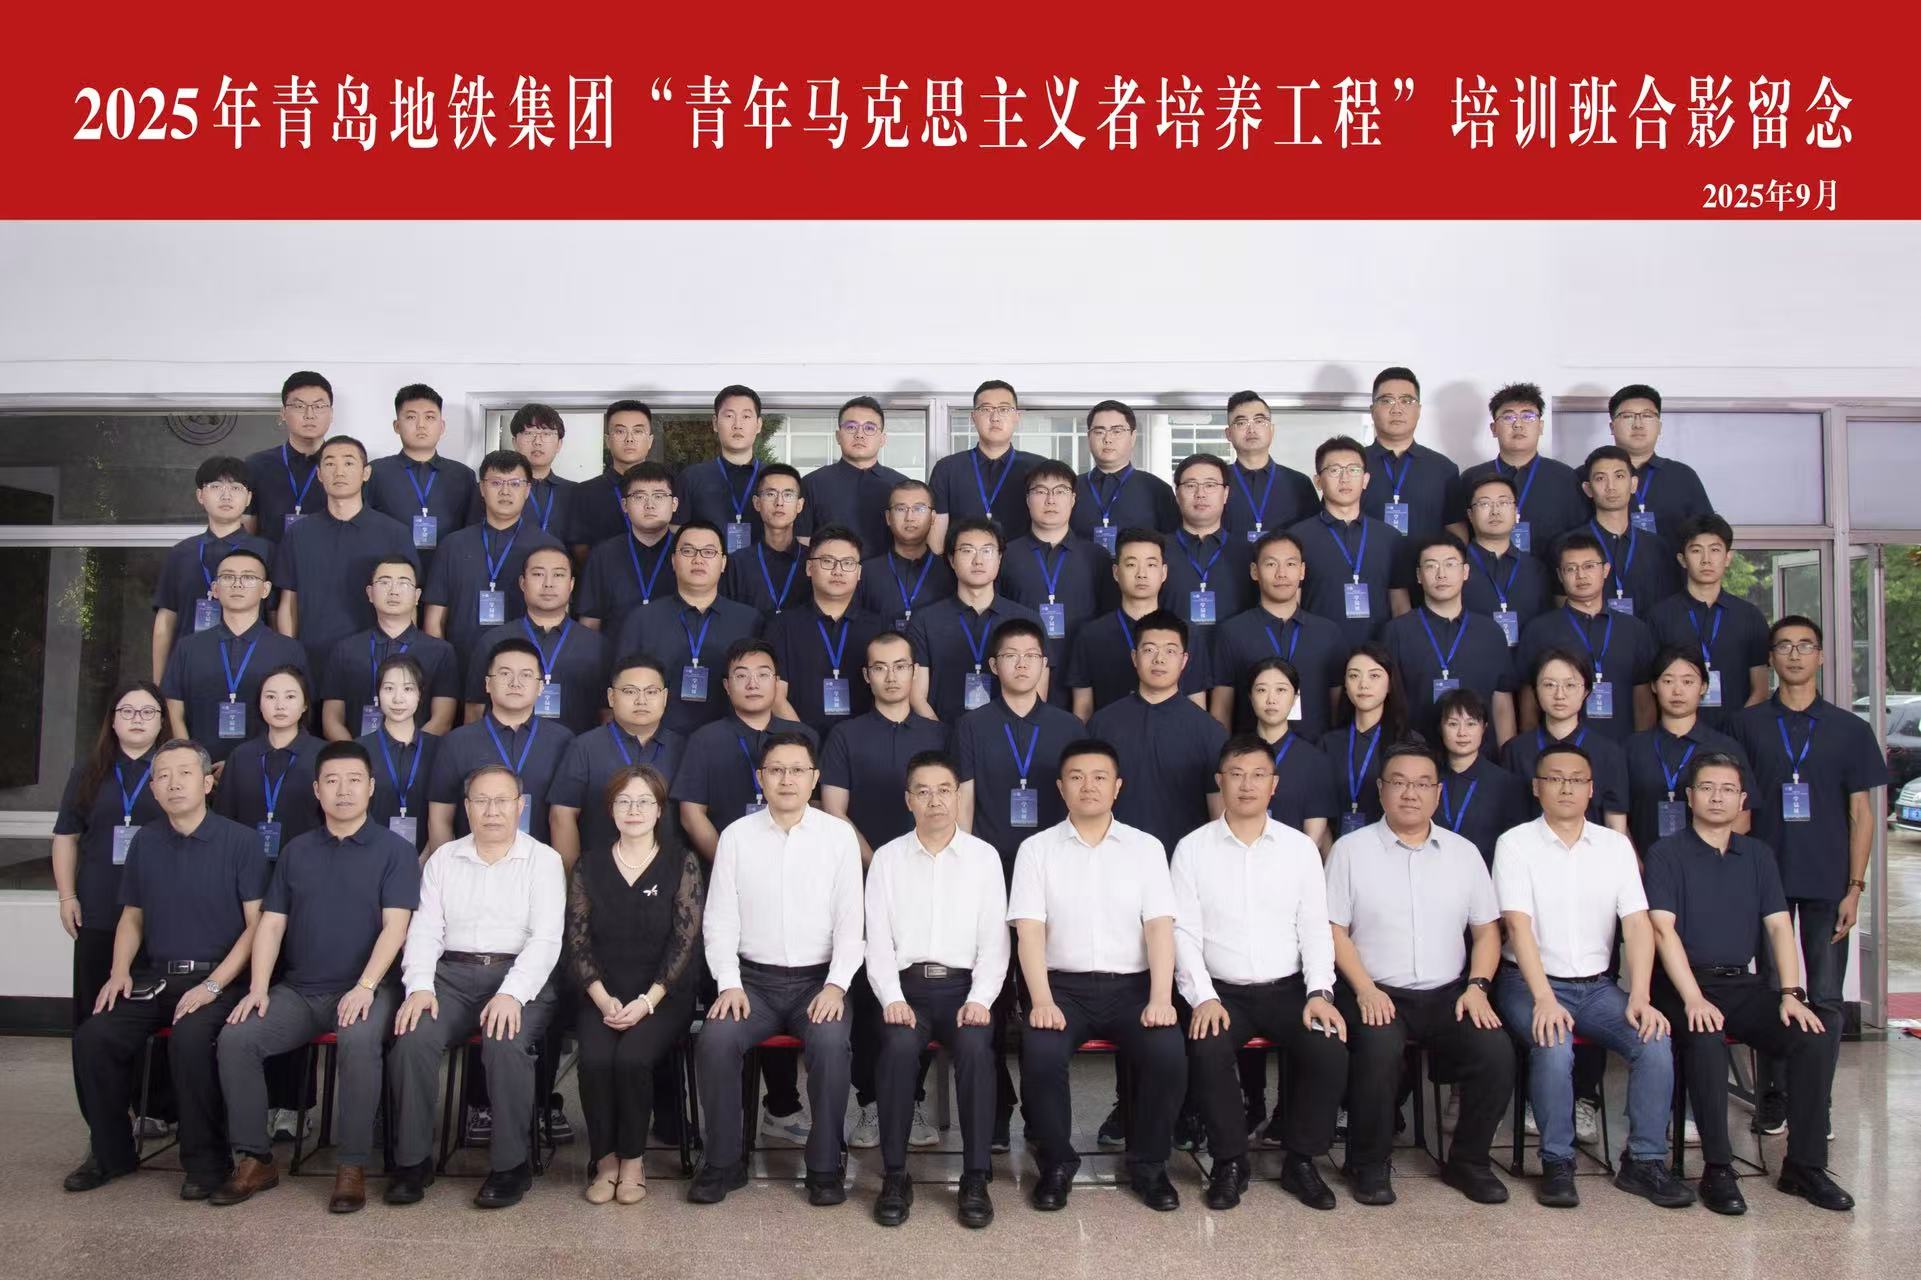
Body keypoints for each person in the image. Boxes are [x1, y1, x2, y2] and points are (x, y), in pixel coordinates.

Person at [211, 741, 418, 1213]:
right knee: (238, 1038)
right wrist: (258, 988)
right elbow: (271, 924)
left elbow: (396, 927)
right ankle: (256, 1159)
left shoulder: (395, 851)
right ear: (317, 790)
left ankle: (352, 1164)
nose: (343, 790)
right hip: (301, 991)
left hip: (368, 989)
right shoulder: (296, 851)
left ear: (371, 788)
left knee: (359, 1040)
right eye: (332, 781)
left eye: (353, 780)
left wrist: (365, 987)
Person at [1646, 752, 1855, 1213]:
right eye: (1706, 788)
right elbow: (1662, 930)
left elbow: (1779, 927)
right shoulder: (1666, 853)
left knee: (1815, 1032)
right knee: (1705, 1036)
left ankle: (1804, 1166)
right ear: (1689, 796)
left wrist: (1791, 994)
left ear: (1742, 799)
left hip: (1743, 985)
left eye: (1727, 789)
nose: (1717, 797)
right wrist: (1693, 997)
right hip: (1682, 987)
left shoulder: (1757, 855)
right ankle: (1718, 1168)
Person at [1491, 742, 1693, 1209]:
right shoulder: (1515, 843)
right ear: (1537, 788)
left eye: (1576, 779)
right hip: (1528, 983)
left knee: (1653, 1039)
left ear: (1591, 789)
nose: (1566, 787)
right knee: (1554, 1042)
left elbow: (1637, 923)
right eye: (1555, 778)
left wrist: (1639, 994)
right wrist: (1544, 998)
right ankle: (1557, 1162)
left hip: (1598, 987)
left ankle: (1643, 1162)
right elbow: (1517, 926)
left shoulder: (1614, 846)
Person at [65, 739, 264, 1198]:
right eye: (163, 776)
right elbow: (132, 917)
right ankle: (110, 1153)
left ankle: (207, 1162)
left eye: (185, 773)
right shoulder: (146, 842)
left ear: (208, 782)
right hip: (156, 978)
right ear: (153, 788)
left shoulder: (241, 841)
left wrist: (214, 985)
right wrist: (119, 972)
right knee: (95, 1037)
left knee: (191, 1038)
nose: (174, 783)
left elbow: (257, 926)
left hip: (220, 980)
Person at [1326, 741, 1513, 1206]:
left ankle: (1468, 1162)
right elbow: (1333, 930)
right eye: (1399, 782)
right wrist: (1364, 989)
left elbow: (1487, 933)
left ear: (1438, 792)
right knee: (1379, 1047)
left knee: (1495, 1051)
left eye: (1422, 784)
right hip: (1375, 989)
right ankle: (1368, 1163)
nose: (1410, 793)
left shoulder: (1463, 853)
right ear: (1381, 789)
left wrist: (1478, 987)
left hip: (1449, 994)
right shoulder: (1350, 851)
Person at [1009, 739, 1188, 1213]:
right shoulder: (1036, 850)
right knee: (1040, 1054)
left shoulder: (1146, 848)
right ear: (1060, 788)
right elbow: (1029, 932)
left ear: (1117, 787)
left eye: (1099, 777)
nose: (1088, 786)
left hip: (1133, 989)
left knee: (1167, 1053)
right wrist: (1041, 1001)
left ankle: (1149, 1165)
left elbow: (1160, 927)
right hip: (1061, 989)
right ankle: (1056, 1164)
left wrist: (1161, 997)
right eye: (1076, 777)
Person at [1174, 735, 1348, 1211]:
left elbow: (1315, 928)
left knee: (1329, 1048)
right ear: (1220, 782)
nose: (1246, 784)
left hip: (1289, 990)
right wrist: (1203, 997)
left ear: (1274, 785)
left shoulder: (1299, 849)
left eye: (1258, 775)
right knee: (1206, 1046)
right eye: (1236, 775)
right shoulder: (1192, 849)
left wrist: (1320, 992)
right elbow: (1184, 933)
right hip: (1222, 991)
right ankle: (1230, 1161)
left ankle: (1302, 1160)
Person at [691, 734, 863, 1207]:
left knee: (830, 1045)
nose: (787, 779)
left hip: (818, 983)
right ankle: (724, 1161)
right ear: (761, 777)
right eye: (776, 770)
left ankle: (824, 1165)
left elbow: (852, 922)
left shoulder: (838, 837)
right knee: (716, 1040)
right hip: (753, 984)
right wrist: (728, 983)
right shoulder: (737, 836)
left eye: (797, 770)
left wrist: (836, 986)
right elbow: (719, 919)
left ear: (814, 778)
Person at [1731, 615, 1886, 1136]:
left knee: (1824, 996)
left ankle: (1816, 1103)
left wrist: (1855, 887)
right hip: (1764, 881)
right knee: (1772, 991)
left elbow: (1862, 814)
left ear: (1821, 655)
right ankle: (1772, 1098)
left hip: (1827, 881)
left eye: (1805, 646)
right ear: (1771, 658)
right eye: (1784, 646)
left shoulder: (1850, 729)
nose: (1794, 655)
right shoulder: (1746, 725)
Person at [386, 764, 565, 1210]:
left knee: (504, 1041)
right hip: (450, 977)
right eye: (481, 801)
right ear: (466, 808)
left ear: (520, 806)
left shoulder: (543, 860)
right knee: (413, 1037)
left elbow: (546, 939)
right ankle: (412, 1163)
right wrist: (420, 986)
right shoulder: (444, 859)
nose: (492, 811)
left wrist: (511, 993)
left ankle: (511, 1166)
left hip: (518, 976)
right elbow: (425, 930)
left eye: (502, 801)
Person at [865, 750, 1008, 1228]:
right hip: (905, 990)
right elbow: (876, 941)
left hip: (965, 989)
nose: (935, 801)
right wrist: (891, 998)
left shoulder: (983, 858)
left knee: (976, 1052)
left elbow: (995, 941)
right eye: (923, 792)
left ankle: (975, 1176)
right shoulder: (887, 859)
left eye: (944, 790)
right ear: (908, 800)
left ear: (957, 796)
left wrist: (981, 999)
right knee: (897, 1051)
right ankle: (895, 1174)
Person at [567, 765, 703, 1206]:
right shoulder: (589, 864)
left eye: (644, 801)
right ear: (611, 810)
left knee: (631, 1059)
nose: (634, 810)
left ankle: (632, 1161)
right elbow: (577, 940)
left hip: (663, 995)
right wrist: (602, 998)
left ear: (660, 809)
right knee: (595, 1060)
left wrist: (648, 1001)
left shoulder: (681, 862)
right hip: (602, 994)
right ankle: (604, 1161)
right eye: (624, 801)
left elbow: (684, 942)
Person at [51, 680, 168, 1122]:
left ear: (162, 721)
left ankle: (154, 1108)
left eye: (148, 712)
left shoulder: (174, 769)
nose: (137, 720)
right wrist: (67, 895)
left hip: (160, 913)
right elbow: (66, 836)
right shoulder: (89, 771)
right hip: (100, 907)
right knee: (94, 1014)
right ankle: (103, 1118)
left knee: (152, 1013)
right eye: (127, 711)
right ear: (113, 720)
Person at [271, 435, 419, 677]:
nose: (339, 472)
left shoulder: (394, 532)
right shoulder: (299, 533)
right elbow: (288, 603)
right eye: (330, 463)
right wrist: (290, 661)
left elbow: (408, 603)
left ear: (366, 473)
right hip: (312, 659)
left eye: (349, 463)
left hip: (379, 663)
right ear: (319, 474)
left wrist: (402, 661)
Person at [1088, 611, 1227, 857]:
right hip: (1112, 858)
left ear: (1184, 660)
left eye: (1170, 651)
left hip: (1182, 861)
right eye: (1149, 650)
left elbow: (1219, 818)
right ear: (1135, 657)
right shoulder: (1102, 724)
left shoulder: (1209, 731)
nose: (1159, 659)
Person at [612, 520, 763, 740]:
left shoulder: (749, 621)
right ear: (674, 560)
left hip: (731, 742)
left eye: (708, 552)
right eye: (688, 551)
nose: (698, 559)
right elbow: (622, 689)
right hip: (656, 743)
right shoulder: (642, 620)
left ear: (723, 563)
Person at [672, 638, 820, 859]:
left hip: (798, 860)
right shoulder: (705, 740)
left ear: (776, 683)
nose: (753, 684)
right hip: (727, 861)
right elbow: (691, 815)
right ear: (727, 686)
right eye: (741, 676)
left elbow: (816, 805)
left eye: (763, 675)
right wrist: (729, 864)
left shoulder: (804, 737)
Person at [424, 449, 566, 681]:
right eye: (496, 483)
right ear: (482, 488)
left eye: (515, 483)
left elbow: (558, 616)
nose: (505, 491)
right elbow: (434, 620)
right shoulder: (453, 545)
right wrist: (442, 673)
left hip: (525, 676)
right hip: (460, 667)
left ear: (527, 490)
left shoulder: (548, 548)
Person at [161, 547, 309, 767]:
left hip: (266, 768)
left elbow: (301, 716)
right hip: (199, 770)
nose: (237, 584)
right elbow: (174, 711)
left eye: (248, 577)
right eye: (228, 577)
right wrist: (194, 763)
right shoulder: (188, 647)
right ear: (215, 588)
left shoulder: (288, 650)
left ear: (265, 589)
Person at [426, 637, 576, 852]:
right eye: (505, 674)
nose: (515, 683)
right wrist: (446, 866)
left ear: (541, 687)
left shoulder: (564, 741)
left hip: (539, 864)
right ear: (488, 684)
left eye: (526, 675)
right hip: (472, 862)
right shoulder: (456, 742)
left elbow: (565, 818)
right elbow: (440, 818)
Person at [1516, 532, 1659, 744]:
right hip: (1559, 750)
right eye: (1571, 569)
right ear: (1560, 575)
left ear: (1605, 570)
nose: (1581, 575)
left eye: (1589, 566)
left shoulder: (1634, 630)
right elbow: (1529, 700)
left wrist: (1641, 748)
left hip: (1622, 747)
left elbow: (1643, 701)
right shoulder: (1539, 630)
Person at [819, 631, 948, 862]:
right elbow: (833, 811)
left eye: (900, 667)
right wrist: (875, 864)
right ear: (866, 675)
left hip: (931, 864)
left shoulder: (940, 734)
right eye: (880, 668)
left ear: (914, 671)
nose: (891, 677)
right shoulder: (844, 735)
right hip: (864, 868)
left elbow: (953, 806)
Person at [550, 656, 685, 871]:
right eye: (630, 691)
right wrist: (572, 879)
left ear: (665, 697)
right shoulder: (584, 747)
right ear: (611, 697)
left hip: (668, 875)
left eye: (651, 692)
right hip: (598, 874)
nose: (641, 700)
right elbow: (562, 815)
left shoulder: (684, 748)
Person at [1208, 529, 1345, 740]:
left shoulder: (1328, 633)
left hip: (1316, 750)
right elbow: (1222, 708)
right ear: (1254, 571)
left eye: (1290, 564)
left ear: (1302, 571)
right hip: (1252, 753)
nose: (1282, 573)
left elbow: (1338, 708)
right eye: (1271, 564)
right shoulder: (1232, 632)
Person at [1383, 532, 1517, 744]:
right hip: (1416, 754)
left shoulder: (1491, 633)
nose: (1441, 574)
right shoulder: (1396, 632)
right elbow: (1388, 704)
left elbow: (1502, 704)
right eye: (1431, 566)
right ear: (1419, 575)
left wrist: (1506, 754)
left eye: (1450, 564)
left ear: (1465, 571)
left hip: (1480, 756)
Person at [1001, 460, 1115, 709]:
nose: (1050, 500)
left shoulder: (1097, 557)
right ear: (1027, 499)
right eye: (1040, 491)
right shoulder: (1006, 555)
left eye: (1060, 491)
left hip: (1083, 679)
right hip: (1020, 677)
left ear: (1073, 499)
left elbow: (1108, 620)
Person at [906, 518, 1042, 722]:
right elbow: (917, 697)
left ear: (999, 558)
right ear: (951, 559)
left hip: (1008, 736)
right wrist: (940, 735)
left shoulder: (1026, 620)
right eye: (967, 550)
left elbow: (1037, 695)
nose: (978, 560)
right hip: (941, 734)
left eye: (987, 551)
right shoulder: (925, 620)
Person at [150, 457, 275, 680]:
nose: (226, 495)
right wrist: (159, 685)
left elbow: (273, 614)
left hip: (252, 669)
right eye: (216, 487)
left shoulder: (266, 551)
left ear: (248, 498)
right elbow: (165, 621)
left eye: (235, 488)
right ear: (200, 495)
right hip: (189, 668)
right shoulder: (181, 553)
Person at [1645, 514, 1772, 731]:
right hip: (1676, 736)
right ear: (1682, 559)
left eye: (1714, 550)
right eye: (1696, 551)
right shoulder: (1659, 616)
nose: (1706, 560)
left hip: (1736, 738)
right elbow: (1650, 688)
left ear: (1728, 557)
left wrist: (1737, 732)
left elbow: (1759, 689)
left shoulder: (1749, 616)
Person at [464, 545, 609, 735]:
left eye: (558, 575)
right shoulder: (494, 640)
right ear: (523, 583)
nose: (548, 584)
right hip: (505, 751)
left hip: (577, 748)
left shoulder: (596, 645)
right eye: (538, 574)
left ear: (571, 584)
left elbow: (606, 714)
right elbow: (475, 710)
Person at [1068, 528, 1211, 719]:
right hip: (1112, 734)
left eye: (1151, 565)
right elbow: (1083, 710)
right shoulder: (1090, 635)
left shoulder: (1188, 632)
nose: (1141, 574)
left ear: (1163, 572)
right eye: (1131, 564)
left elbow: (1197, 705)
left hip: (1175, 734)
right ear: (1116, 572)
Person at [1624, 648, 1755, 853]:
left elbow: (1743, 818)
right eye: (1668, 681)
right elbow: (1618, 817)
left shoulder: (1726, 747)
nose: (1677, 691)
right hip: (1644, 864)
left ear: (1703, 687)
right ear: (1654, 686)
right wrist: (1634, 862)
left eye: (1688, 682)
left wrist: (1708, 861)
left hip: (1709, 866)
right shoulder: (1632, 748)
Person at [318, 557, 459, 740]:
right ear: (370, 593)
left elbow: (442, 720)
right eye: (384, 582)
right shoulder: (345, 650)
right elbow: (332, 719)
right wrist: (354, 753)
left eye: (403, 583)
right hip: (356, 754)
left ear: (417, 596)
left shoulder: (441, 652)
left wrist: (411, 750)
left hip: (417, 754)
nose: (393, 591)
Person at [767, 526, 888, 735]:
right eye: (828, 561)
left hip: (866, 743)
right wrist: (806, 742)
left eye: (848, 563)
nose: (837, 571)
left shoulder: (880, 628)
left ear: (859, 572)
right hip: (800, 745)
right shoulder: (783, 626)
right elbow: (776, 697)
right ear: (809, 568)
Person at [1290, 435, 1407, 648]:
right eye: (1334, 470)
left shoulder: (1390, 538)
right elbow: (1292, 604)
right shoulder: (1297, 538)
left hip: (1378, 654)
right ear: (1318, 481)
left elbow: (1400, 606)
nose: (1344, 478)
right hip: (1317, 650)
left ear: (1365, 479)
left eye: (1353, 469)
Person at [1449, 382, 1587, 560]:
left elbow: (1579, 537)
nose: (1518, 424)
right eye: (1508, 417)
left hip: (1550, 575)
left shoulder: (1565, 477)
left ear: (1541, 426)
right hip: (1485, 574)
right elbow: (1460, 536)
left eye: (1528, 416)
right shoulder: (1471, 478)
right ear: (1494, 429)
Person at [1501, 649, 1632, 832]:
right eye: (1549, 685)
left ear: (1586, 691)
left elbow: (1615, 825)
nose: (1559, 695)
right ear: (1535, 690)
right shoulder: (1516, 751)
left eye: (1570, 685)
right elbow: (1509, 818)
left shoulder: (1609, 753)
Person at [214, 666, 326, 862]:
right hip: (247, 863)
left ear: (305, 705)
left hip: (309, 863)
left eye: (290, 697)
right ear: (259, 703)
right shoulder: (241, 756)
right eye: (271, 697)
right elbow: (224, 819)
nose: (280, 705)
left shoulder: (324, 756)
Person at [366, 383, 478, 569]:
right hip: (391, 576)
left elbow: (472, 533)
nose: (421, 425)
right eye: (411, 417)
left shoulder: (463, 475)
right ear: (396, 426)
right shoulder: (375, 472)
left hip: (448, 574)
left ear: (442, 426)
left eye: (430, 417)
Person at [928, 379, 1042, 547]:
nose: (995, 417)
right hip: (963, 563)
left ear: (1017, 416)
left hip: (1024, 563)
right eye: (986, 409)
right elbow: (937, 543)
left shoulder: (1038, 469)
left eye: (1004, 409)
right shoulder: (947, 469)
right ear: (973, 417)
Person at [1576, 444, 1682, 619]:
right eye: (1601, 478)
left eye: (1619, 476)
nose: (1611, 486)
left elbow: (1669, 608)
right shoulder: (1571, 545)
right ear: (1588, 489)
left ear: (1633, 484)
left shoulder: (1657, 547)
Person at [1243, 659, 1339, 846]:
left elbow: (1314, 836)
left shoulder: (1314, 760)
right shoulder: (1235, 756)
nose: (1271, 699)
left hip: (1295, 859)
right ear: (1250, 697)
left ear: (1295, 698)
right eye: (1262, 690)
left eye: (1281, 690)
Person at [799, 395, 910, 556]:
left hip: (888, 572)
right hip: (830, 571)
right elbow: (803, 544)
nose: (859, 434)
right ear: (838, 436)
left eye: (869, 428)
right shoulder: (811, 484)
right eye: (851, 427)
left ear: (882, 439)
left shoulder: (901, 486)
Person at [1161, 453, 1255, 643]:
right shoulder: (1157, 551)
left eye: (1210, 485)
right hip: (1172, 656)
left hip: (1235, 654)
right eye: (1191, 485)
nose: (1200, 494)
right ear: (1177, 494)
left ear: (1225, 494)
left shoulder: (1249, 553)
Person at [577, 461, 679, 633]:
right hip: (616, 649)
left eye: (659, 496)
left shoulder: (689, 553)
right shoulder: (603, 555)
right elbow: (589, 624)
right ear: (624, 505)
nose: (649, 505)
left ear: (674, 504)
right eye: (639, 497)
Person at [1432, 688, 1528, 867]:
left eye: (1471, 724)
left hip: (1486, 875)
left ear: (1484, 728)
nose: (1462, 733)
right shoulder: (1426, 779)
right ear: (1440, 727)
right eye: (1453, 724)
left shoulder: (1506, 785)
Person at [1361, 367, 1460, 542]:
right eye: (1387, 401)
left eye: (1406, 401)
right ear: (1372, 410)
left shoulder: (1444, 468)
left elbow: (1456, 531)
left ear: (1419, 410)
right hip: (1366, 560)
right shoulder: (1353, 464)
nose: (1397, 409)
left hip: (1424, 560)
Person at [357, 654, 440, 855]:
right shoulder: (359, 750)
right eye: (389, 688)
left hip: (429, 858)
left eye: (408, 689)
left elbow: (445, 812)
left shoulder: (439, 749)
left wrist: (426, 859)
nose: (397, 698)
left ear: (420, 694)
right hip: (370, 858)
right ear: (377, 693)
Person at [1606, 384, 1713, 539]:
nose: (1638, 424)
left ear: (1660, 426)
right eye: (1628, 416)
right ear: (1612, 427)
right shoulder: (1587, 476)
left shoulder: (1683, 476)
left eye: (1647, 416)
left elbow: (1707, 535)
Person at [1458, 473, 1552, 647]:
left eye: (1504, 503)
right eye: (1485, 504)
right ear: (1470, 515)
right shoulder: (1455, 567)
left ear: (1516, 511)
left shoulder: (1536, 569)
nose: (1495, 511)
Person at [1070, 399, 1178, 551]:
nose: (1107, 439)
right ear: (1089, 437)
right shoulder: (1069, 488)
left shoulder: (1158, 489)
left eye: (1117, 431)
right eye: (1099, 432)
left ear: (1133, 437)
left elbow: (1171, 547)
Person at [674, 385, 770, 553]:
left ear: (759, 425)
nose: (737, 425)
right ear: (715, 423)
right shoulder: (691, 478)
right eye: (729, 416)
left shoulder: (774, 479)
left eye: (746, 416)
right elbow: (677, 539)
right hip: (706, 569)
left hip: (763, 569)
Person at [1327, 643, 1408, 836]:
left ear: (1390, 684)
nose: (1363, 684)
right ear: (1345, 686)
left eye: (1374, 676)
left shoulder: (1408, 743)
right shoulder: (1328, 743)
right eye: (1354, 676)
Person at [244, 371, 332, 541]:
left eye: (319, 406)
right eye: (299, 406)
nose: (309, 414)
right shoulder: (256, 465)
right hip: (271, 558)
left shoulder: (345, 467)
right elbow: (247, 536)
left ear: (331, 413)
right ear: (283, 413)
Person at [1219, 391, 1318, 541]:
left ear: (1271, 429)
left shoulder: (1299, 483)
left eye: (1259, 421)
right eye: (1241, 423)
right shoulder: (1215, 482)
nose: (1251, 429)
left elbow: (1313, 535)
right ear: (1229, 434)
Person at [856, 479, 956, 627]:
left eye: (919, 508)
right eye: (901, 509)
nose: (909, 517)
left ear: (933, 517)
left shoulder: (950, 571)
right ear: (888, 518)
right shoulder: (865, 572)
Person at [570, 399, 660, 555]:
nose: (629, 439)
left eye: (638, 431)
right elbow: (580, 549)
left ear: (650, 441)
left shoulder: (669, 489)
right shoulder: (584, 492)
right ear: (607, 440)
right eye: (620, 431)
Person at [718, 464, 808, 615]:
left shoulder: (813, 561)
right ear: (757, 503)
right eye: (770, 494)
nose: (779, 502)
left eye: (788, 495)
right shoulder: (736, 563)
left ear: (799, 505)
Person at [496, 402, 579, 543]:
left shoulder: (576, 493)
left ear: (559, 444)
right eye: (529, 433)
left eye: (546, 434)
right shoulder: (494, 488)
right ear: (515, 442)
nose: (537, 442)